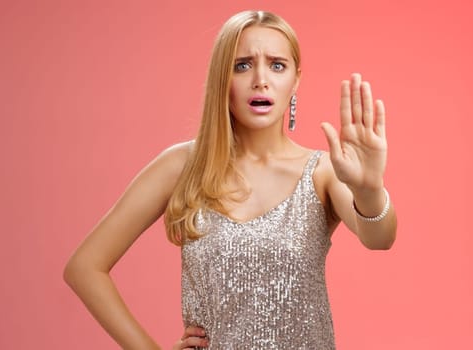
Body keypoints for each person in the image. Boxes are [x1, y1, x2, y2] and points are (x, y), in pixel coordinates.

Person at [64, 10, 397, 349]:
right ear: (222, 77)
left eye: (277, 65)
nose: (260, 79)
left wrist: (369, 191)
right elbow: (85, 268)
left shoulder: (322, 172)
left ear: (296, 79)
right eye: (243, 65)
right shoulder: (181, 166)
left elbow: (380, 238)